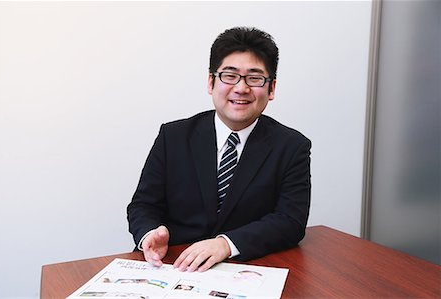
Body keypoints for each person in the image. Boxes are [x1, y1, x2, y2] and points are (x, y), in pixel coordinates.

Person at [127, 26, 311, 273]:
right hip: (176, 265)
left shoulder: (292, 146)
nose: (241, 88)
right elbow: (143, 205)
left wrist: (225, 244)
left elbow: (290, 221)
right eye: (230, 75)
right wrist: (150, 233)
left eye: (255, 78)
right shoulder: (173, 137)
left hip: (249, 269)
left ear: (272, 88)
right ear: (211, 82)